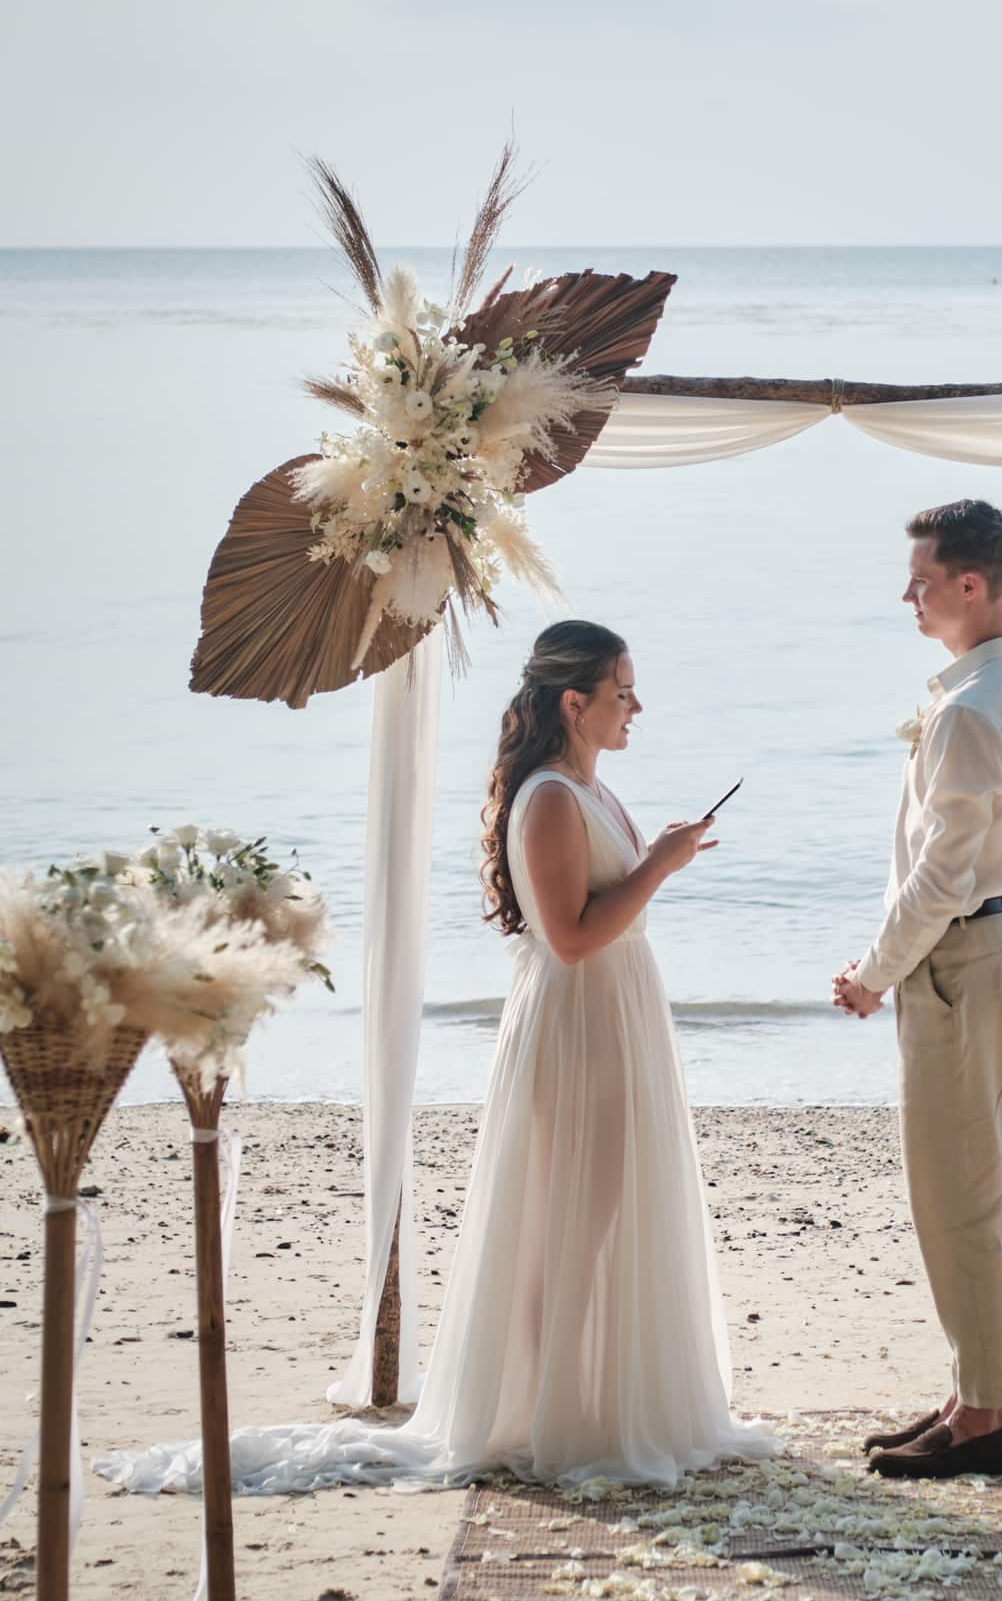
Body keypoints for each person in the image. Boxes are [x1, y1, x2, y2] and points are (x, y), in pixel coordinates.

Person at [101, 621, 778, 1496]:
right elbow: (570, 940)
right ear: (575, 703)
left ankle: (586, 1400)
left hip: (620, 1017)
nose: (635, 706)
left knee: (607, 1211)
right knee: (569, 1218)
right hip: (577, 1025)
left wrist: (653, 859)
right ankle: (542, 1409)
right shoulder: (547, 799)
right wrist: (657, 867)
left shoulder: (594, 792)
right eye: (622, 691)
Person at [832, 501, 1002, 1481]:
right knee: (962, 1186)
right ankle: (970, 1394)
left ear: (973, 585)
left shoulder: (974, 708)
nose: (908, 595)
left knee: (959, 1193)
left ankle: (984, 1422)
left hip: (962, 955)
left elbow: (941, 874)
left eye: (922, 579)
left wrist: (872, 972)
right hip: (987, 944)